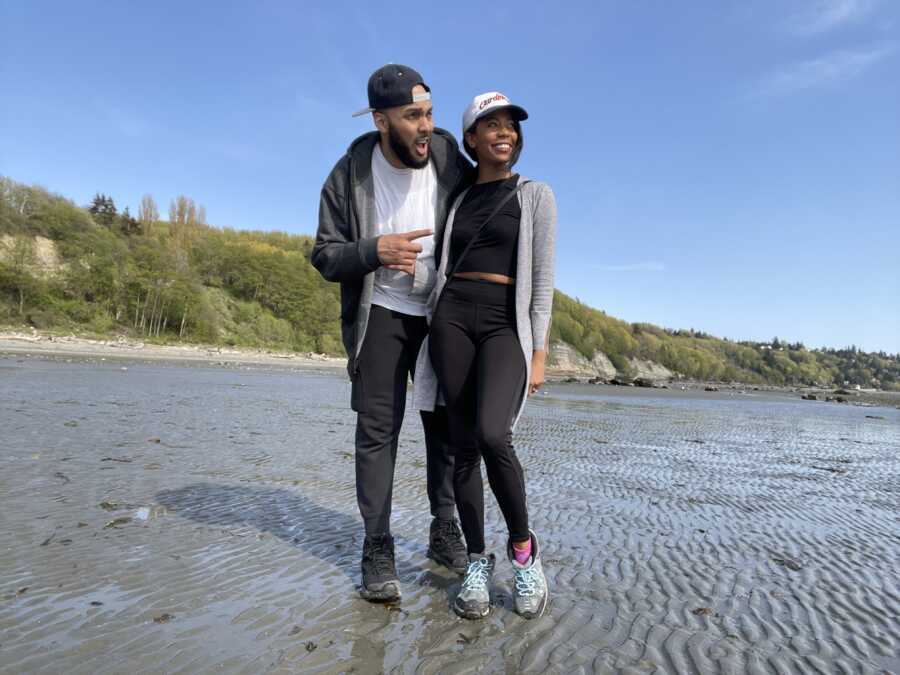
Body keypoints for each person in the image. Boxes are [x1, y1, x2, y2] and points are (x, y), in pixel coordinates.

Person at [311, 64, 474, 602]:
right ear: (382, 120)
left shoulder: (449, 155)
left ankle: (443, 527)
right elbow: (325, 254)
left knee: (446, 426)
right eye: (412, 116)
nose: (425, 126)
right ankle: (377, 544)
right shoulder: (350, 172)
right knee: (377, 432)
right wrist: (374, 250)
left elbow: (482, 211)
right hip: (378, 314)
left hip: (439, 315)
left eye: (429, 113)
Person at [413, 91, 557, 619]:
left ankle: (525, 555)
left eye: (511, 125)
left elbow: (541, 283)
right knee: (462, 444)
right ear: (471, 138)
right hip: (451, 318)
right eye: (490, 124)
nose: (504, 132)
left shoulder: (535, 195)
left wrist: (538, 352)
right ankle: (477, 560)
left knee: (495, 434)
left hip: (503, 324)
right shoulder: (456, 200)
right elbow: (442, 266)